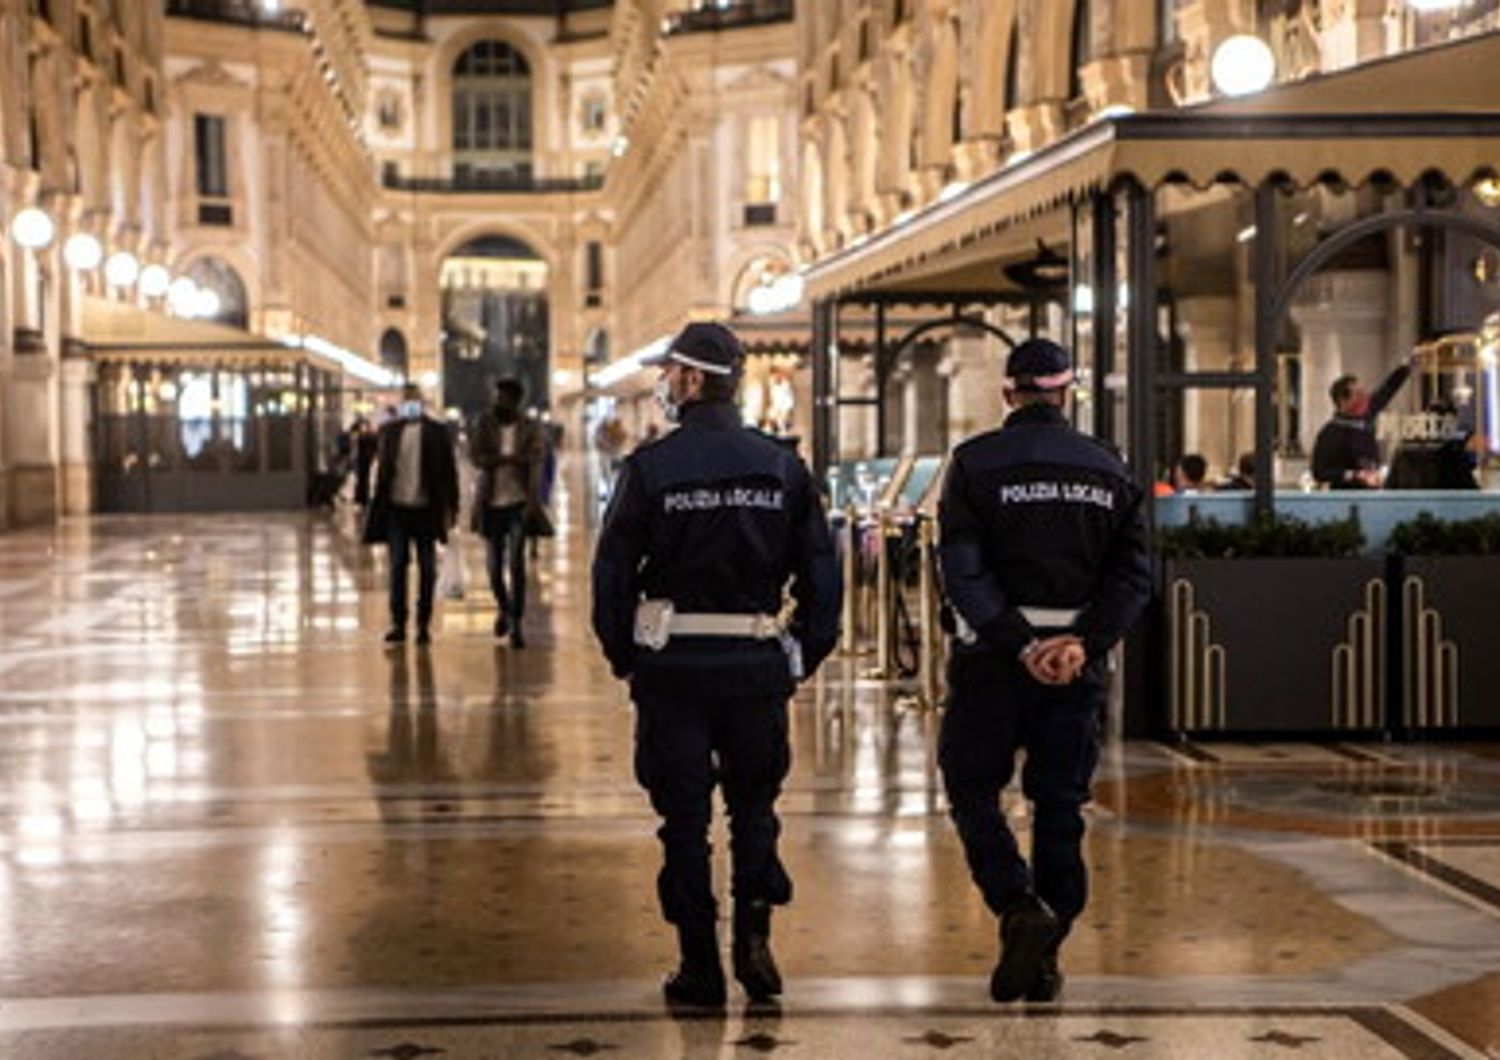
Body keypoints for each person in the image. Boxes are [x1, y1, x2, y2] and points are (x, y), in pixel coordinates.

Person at [591, 322, 841, 1009]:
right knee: (754, 806)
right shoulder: (782, 466)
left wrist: (623, 655)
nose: (667, 385)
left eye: (671, 374)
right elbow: (823, 575)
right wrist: (800, 655)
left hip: (673, 668)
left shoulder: (650, 468)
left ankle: (699, 964)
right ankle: (754, 941)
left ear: (693, 380)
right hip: (756, 663)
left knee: (684, 819)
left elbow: (612, 572)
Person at [937, 337, 1150, 1005]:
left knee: (972, 787)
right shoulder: (1108, 466)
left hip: (993, 659)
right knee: (1060, 802)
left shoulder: (974, 463)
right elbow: (1133, 574)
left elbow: (962, 570)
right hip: (1075, 664)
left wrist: (1019, 641)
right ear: (1068, 392)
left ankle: (1015, 904)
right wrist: (1082, 641)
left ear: (1008, 394)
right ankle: (1049, 945)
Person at [364, 385, 460, 646]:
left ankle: (423, 623)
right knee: (397, 567)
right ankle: (398, 622)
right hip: (397, 509)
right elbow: (381, 471)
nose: (410, 406)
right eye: (406, 401)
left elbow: (449, 474)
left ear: (422, 402)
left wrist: (452, 509)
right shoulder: (389, 432)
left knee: (428, 568)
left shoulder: (437, 433)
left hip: (426, 510)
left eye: (414, 401)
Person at [469, 379, 547, 647]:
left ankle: (516, 623)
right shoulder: (484, 423)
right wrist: (505, 460)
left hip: (519, 503)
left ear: (515, 401)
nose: (498, 401)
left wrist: (533, 501)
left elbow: (536, 458)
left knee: (516, 563)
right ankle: (503, 606)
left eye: (503, 397)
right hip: (490, 503)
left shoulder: (529, 427)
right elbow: (476, 456)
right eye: (496, 396)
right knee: (493, 566)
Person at [1311, 360, 1412, 489]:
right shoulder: (1329, 433)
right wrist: (1354, 475)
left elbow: (1386, 391)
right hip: (1346, 498)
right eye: (1357, 395)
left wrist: (1406, 367)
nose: (1364, 398)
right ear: (1343, 401)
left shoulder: (1365, 416)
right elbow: (1319, 472)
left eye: (1363, 393)